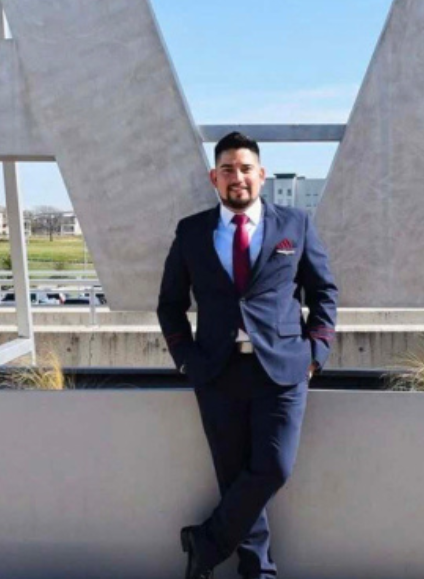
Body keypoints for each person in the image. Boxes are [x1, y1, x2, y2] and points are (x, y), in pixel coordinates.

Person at [157, 132, 338, 579]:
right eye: (227, 170)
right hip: (216, 371)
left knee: (274, 468)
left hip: (283, 370)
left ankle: (205, 543)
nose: (236, 177)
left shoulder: (295, 225)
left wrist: (315, 353)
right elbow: (170, 304)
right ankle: (258, 572)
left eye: (244, 169)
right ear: (213, 178)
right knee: (234, 476)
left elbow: (323, 293)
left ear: (261, 174)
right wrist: (186, 360)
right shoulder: (192, 232)